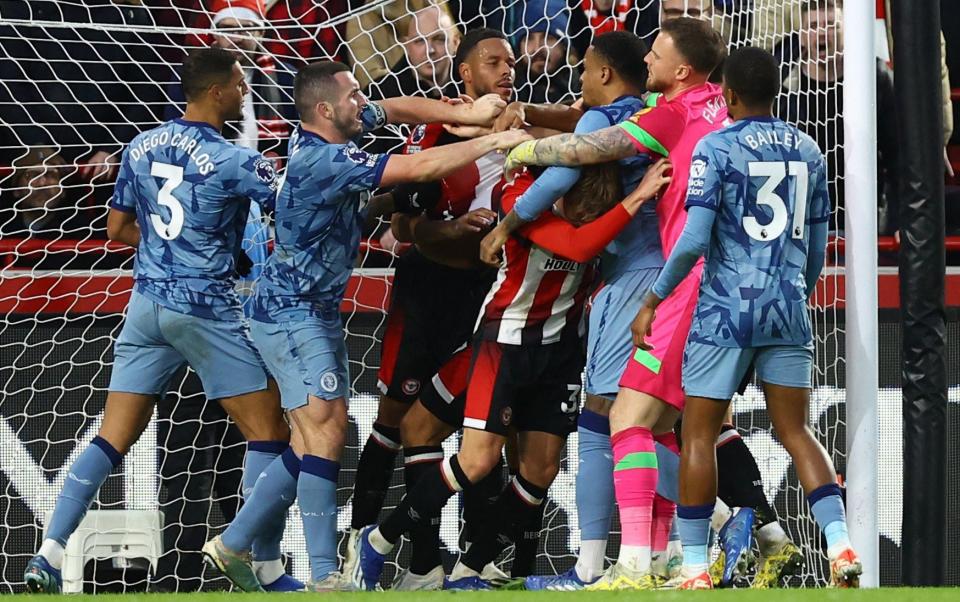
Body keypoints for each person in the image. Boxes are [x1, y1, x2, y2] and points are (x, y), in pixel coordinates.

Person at [200, 60, 529, 592]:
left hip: (311, 310)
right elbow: (419, 168)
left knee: (314, 438)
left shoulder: (336, 135)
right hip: (290, 314)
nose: (364, 102)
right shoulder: (324, 161)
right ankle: (325, 573)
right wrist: (493, 141)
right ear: (325, 109)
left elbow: (397, 108)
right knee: (325, 433)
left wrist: (460, 113)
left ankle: (237, 543)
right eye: (354, 96)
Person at [22, 47, 292, 595]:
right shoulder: (238, 158)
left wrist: (171, 248)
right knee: (272, 433)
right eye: (240, 83)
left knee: (111, 437)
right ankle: (263, 566)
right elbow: (295, 210)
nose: (245, 91)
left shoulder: (138, 146)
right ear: (216, 92)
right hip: (204, 308)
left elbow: (117, 227)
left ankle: (48, 553)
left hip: (145, 305)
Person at [351, 156, 671, 592]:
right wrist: (635, 199)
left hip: (558, 356)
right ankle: (381, 537)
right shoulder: (519, 200)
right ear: (562, 196)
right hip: (503, 344)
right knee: (478, 461)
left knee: (540, 470)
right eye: (581, 213)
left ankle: (470, 569)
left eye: (595, 215)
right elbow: (577, 247)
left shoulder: (603, 214)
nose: (588, 222)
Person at [487, 17, 728, 589]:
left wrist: (514, 157)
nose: (649, 61)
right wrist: (538, 115)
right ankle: (670, 551)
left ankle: (618, 559)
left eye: (659, 54)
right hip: (710, 277)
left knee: (609, 418)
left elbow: (587, 147)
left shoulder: (660, 112)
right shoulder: (711, 102)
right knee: (662, 424)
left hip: (650, 282)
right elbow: (588, 119)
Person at [632, 46, 861, 590]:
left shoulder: (715, 147)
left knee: (698, 436)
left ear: (728, 95)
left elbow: (692, 241)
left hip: (725, 315)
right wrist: (797, 295)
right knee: (797, 432)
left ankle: (693, 569)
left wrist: (653, 300)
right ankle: (841, 544)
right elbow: (815, 246)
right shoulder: (808, 149)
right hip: (787, 309)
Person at [345, 28, 517, 591]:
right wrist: (455, 230)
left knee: (478, 429)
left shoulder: (526, 133)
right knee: (396, 420)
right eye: (492, 61)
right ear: (466, 75)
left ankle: (468, 558)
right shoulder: (441, 132)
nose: (506, 69)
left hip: (488, 297)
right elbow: (407, 228)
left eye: (510, 62)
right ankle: (366, 547)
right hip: (430, 292)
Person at [777, 0, 898, 234]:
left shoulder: (876, 78)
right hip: (796, 218)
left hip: (859, 216)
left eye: (831, 25)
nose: (822, 33)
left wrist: (899, 220)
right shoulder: (780, 82)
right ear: (801, 36)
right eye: (813, 25)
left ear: (848, 30)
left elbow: (897, 156)